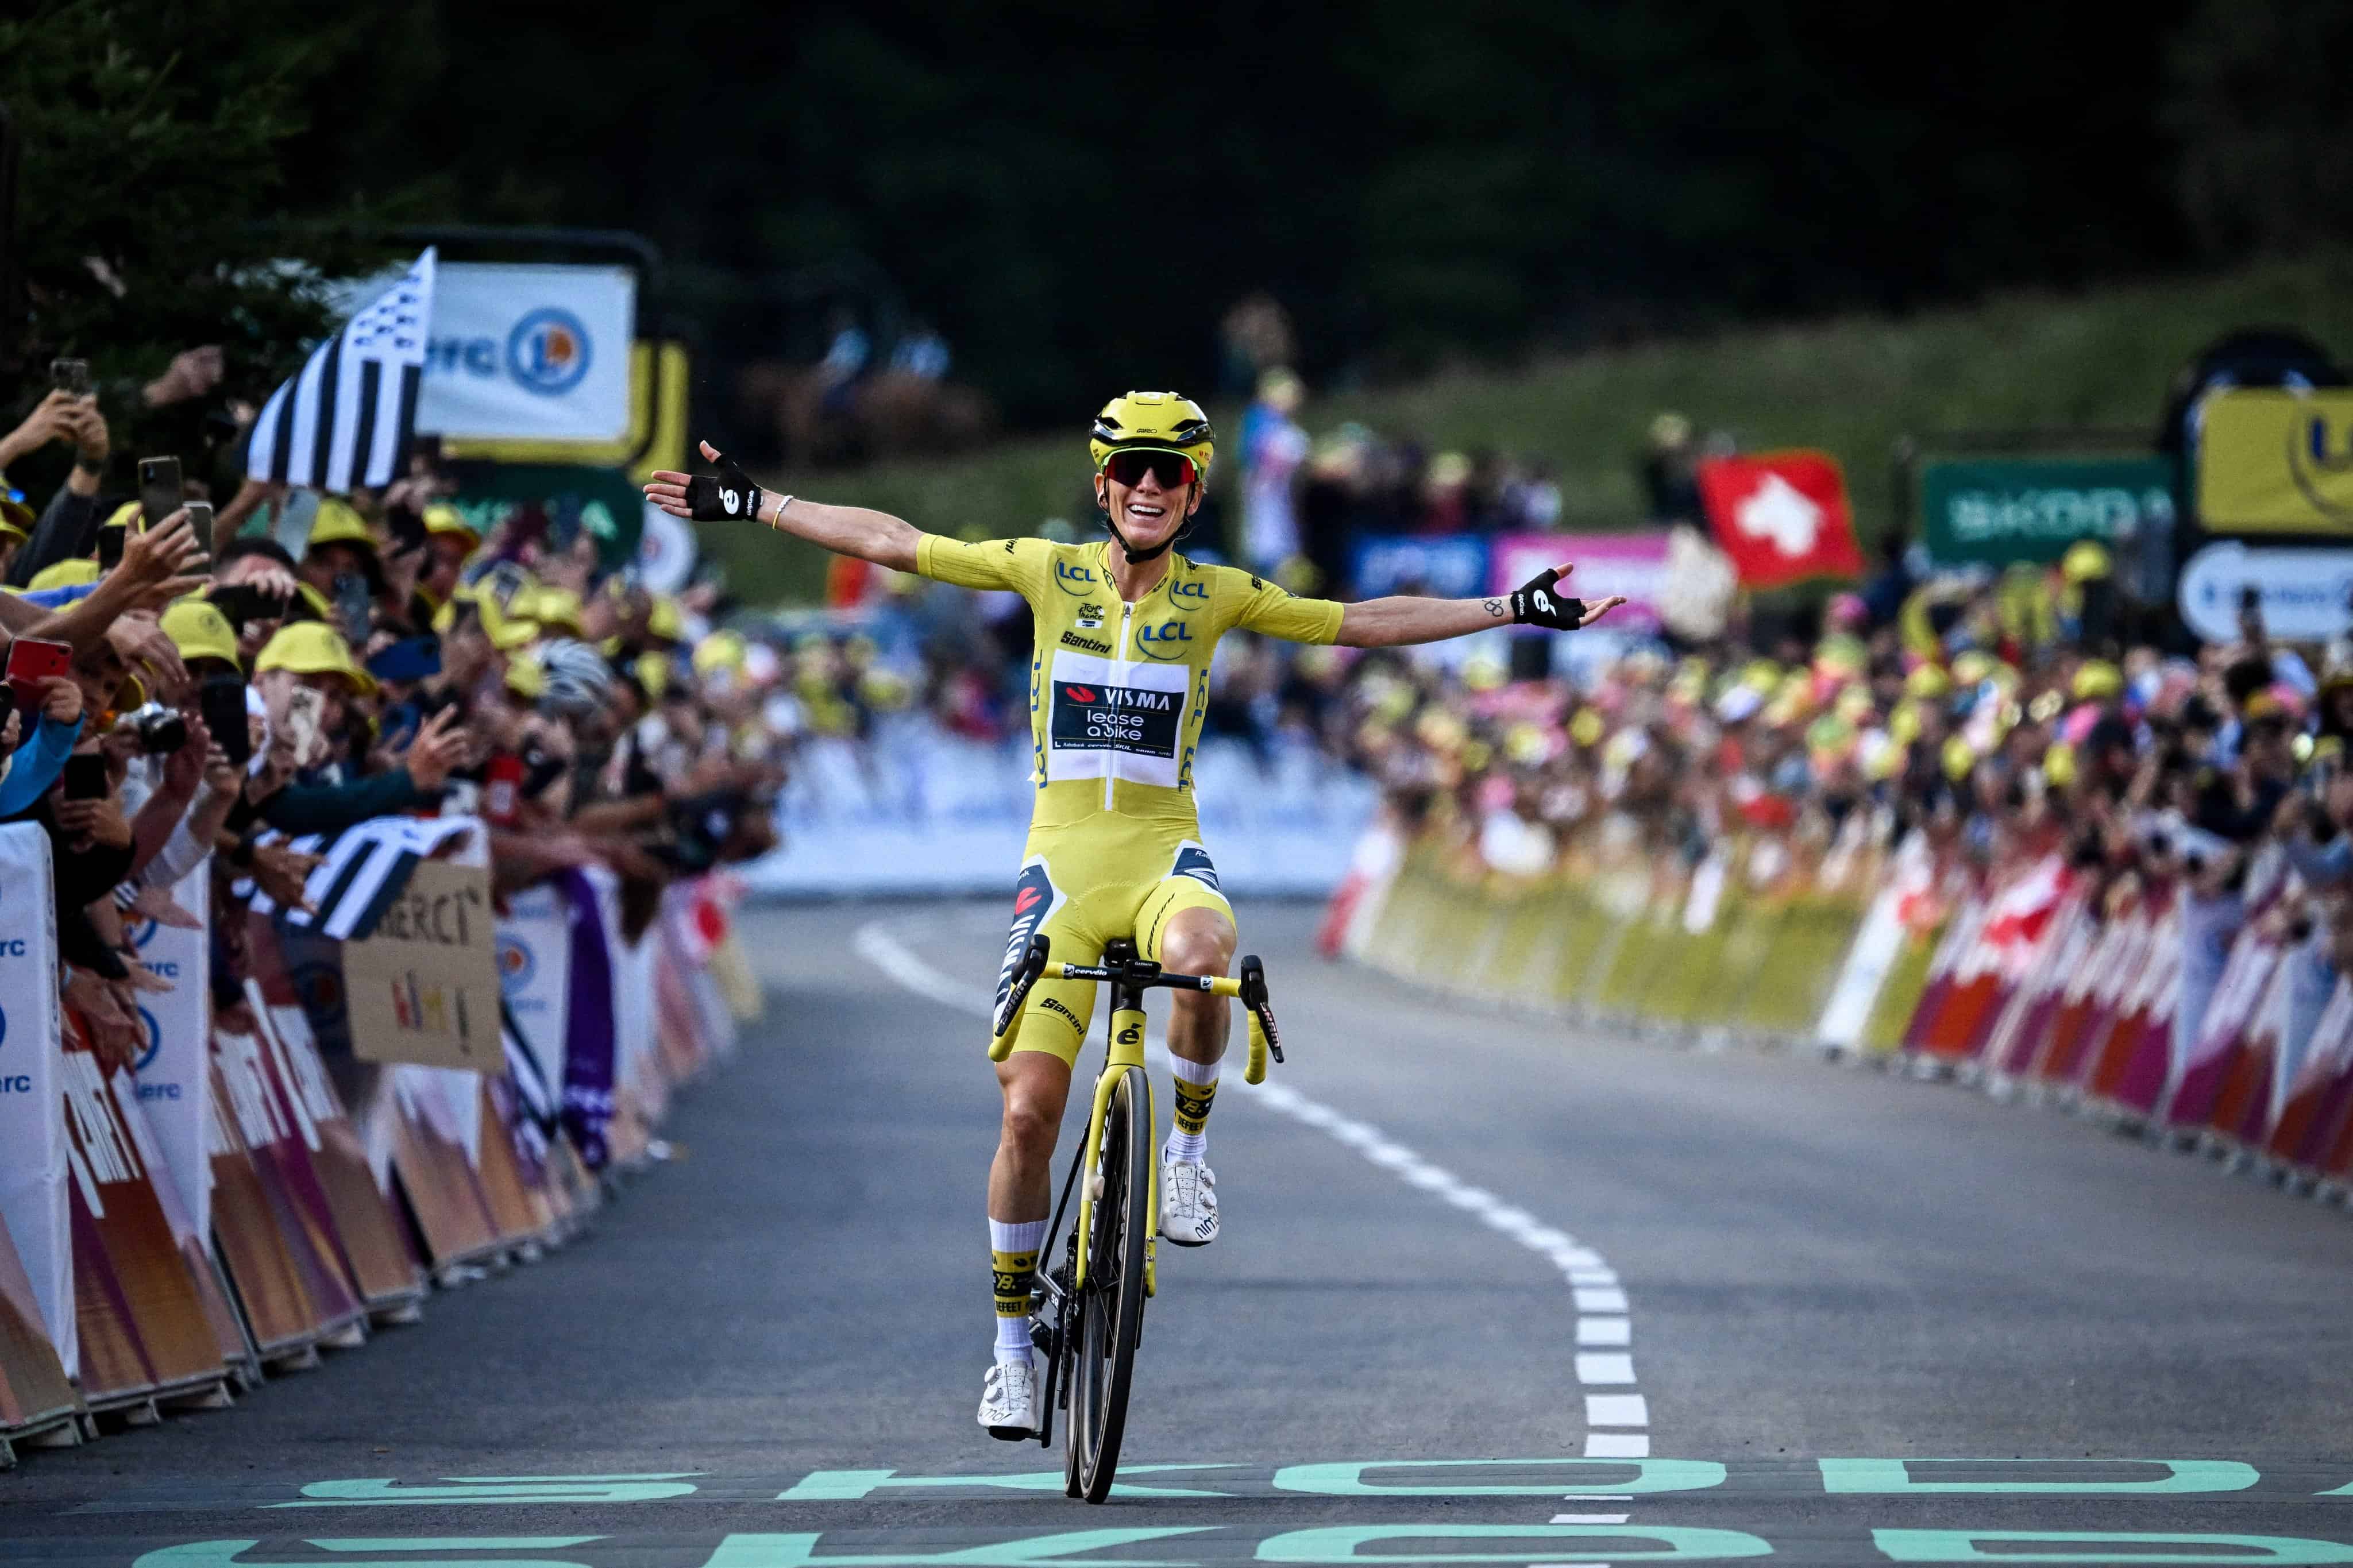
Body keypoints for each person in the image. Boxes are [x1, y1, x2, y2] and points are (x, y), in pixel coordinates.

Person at [645, 391, 1625, 1441]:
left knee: (1208, 951)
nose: (1149, 485)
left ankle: (1189, 1156)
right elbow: (894, 540)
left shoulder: (1217, 594)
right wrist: (757, 502)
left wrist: (1511, 609)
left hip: (1164, 854)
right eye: (1133, 471)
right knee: (1027, 1111)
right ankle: (1012, 1351)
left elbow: (1360, 625)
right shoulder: (1043, 569)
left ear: (1193, 493)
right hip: (1062, 870)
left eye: (1171, 472)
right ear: (1103, 484)